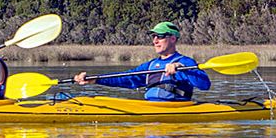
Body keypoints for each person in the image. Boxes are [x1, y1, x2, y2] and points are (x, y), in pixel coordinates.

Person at [74, 21, 210, 101]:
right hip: (150, 108)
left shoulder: (185, 62)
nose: (155, 40)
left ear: (173, 38)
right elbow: (126, 78)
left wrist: (181, 68)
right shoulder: (150, 65)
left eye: (160, 36)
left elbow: (205, 85)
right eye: (154, 36)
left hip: (175, 110)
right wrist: (96, 79)